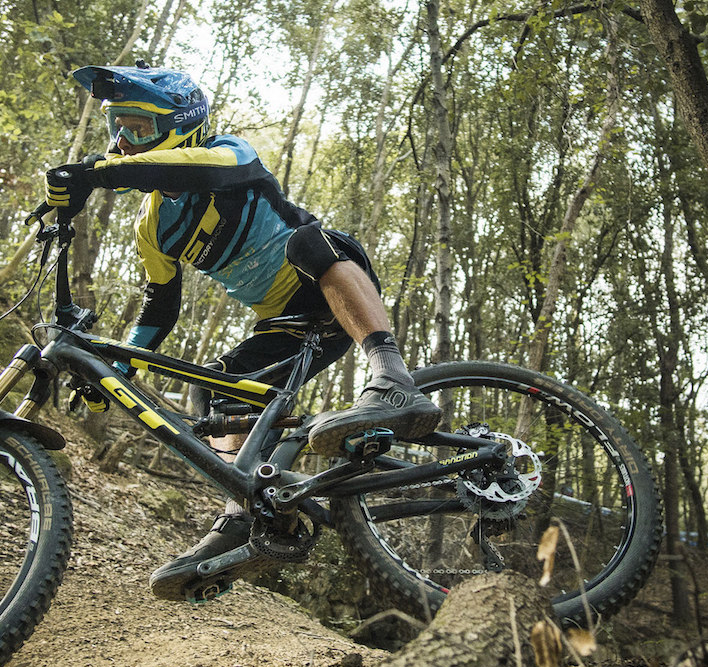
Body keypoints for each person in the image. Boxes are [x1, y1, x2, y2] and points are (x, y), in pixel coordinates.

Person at [36, 62, 441, 600]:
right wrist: (119, 368)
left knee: (308, 241)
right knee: (214, 390)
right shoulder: (152, 226)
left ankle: (392, 378)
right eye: (118, 127)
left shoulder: (228, 152)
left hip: (332, 281)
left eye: (139, 127)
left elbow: (204, 172)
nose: (123, 141)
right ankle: (249, 511)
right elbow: (159, 308)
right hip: (286, 328)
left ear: (181, 124)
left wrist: (98, 173)